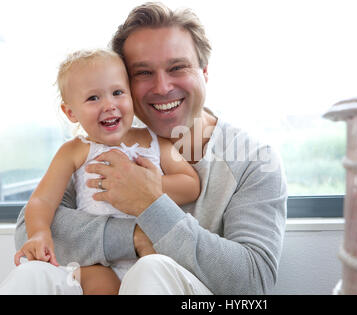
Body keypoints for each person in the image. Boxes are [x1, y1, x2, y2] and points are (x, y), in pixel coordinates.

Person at [2, 2, 287, 295]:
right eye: (143, 73)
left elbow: (253, 281)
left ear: (204, 71)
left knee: (151, 270)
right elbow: (30, 229)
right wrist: (134, 236)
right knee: (32, 275)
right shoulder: (105, 140)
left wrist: (150, 202)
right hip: (104, 282)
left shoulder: (254, 160)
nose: (162, 87)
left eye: (178, 67)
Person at [8, 49, 201, 295]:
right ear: (70, 112)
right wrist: (39, 233)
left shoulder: (153, 141)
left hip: (153, 250)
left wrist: (148, 185)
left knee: (155, 272)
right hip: (98, 261)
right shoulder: (74, 151)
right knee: (99, 284)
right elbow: (42, 200)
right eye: (93, 98)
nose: (109, 105)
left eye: (118, 93)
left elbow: (191, 184)